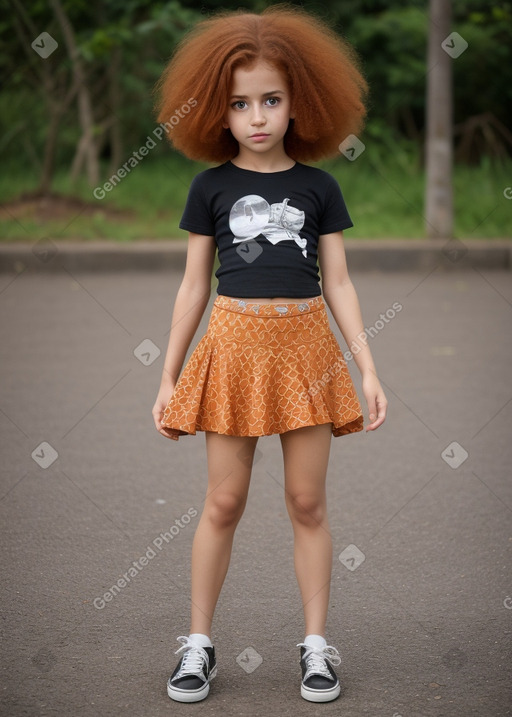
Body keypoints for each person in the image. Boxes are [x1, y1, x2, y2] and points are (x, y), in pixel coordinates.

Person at [151, 5, 387, 704]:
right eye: (240, 103)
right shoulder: (211, 187)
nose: (257, 116)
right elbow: (194, 285)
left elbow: (338, 281)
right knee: (223, 500)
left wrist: (367, 366)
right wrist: (166, 374)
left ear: (299, 101)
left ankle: (316, 646)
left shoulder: (320, 186)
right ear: (217, 112)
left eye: (272, 100)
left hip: (308, 349)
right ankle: (198, 644)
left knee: (307, 500)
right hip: (232, 346)